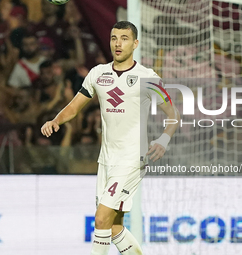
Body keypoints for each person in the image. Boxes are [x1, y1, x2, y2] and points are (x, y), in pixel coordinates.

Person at [41, 21, 179, 254]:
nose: (118, 43)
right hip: (106, 159)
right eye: (114, 38)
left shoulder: (147, 77)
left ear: (135, 44)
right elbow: (74, 108)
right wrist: (55, 120)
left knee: (101, 220)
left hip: (132, 158)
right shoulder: (98, 73)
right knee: (115, 227)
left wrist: (163, 140)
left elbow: (173, 114)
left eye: (124, 38)